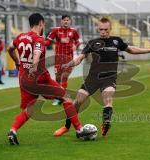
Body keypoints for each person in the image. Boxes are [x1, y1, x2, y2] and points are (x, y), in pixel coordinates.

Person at [53, 17, 150, 137]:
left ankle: (106, 123)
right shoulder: (92, 42)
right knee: (77, 102)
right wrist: (69, 64)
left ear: (110, 29)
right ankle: (66, 126)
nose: (103, 32)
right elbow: (80, 58)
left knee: (108, 99)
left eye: (105, 29)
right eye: (101, 29)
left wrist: (147, 51)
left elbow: (130, 49)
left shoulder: (116, 41)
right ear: (98, 29)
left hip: (109, 78)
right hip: (92, 78)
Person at [7, 13, 89, 145]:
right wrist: (34, 65)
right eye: (44, 23)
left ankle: (13, 131)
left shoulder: (20, 37)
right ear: (41, 23)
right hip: (41, 79)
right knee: (66, 98)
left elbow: (9, 49)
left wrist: (17, 62)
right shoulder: (38, 39)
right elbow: (37, 53)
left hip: (24, 79)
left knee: (29, 109)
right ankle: (79, 130)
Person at [45, 15, 80, 105]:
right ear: (61, 21)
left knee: (64, 77)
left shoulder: (74, 31)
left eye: (68, 20)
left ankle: (61, 98)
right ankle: (58, 96)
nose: (66, 22)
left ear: (70, 21)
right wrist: (42, 44)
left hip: (69, 59)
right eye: (64, 20)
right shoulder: (56, 30)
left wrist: (76, 45)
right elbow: (48, 40)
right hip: (58, 59)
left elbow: (78, 41)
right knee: (57, 78)